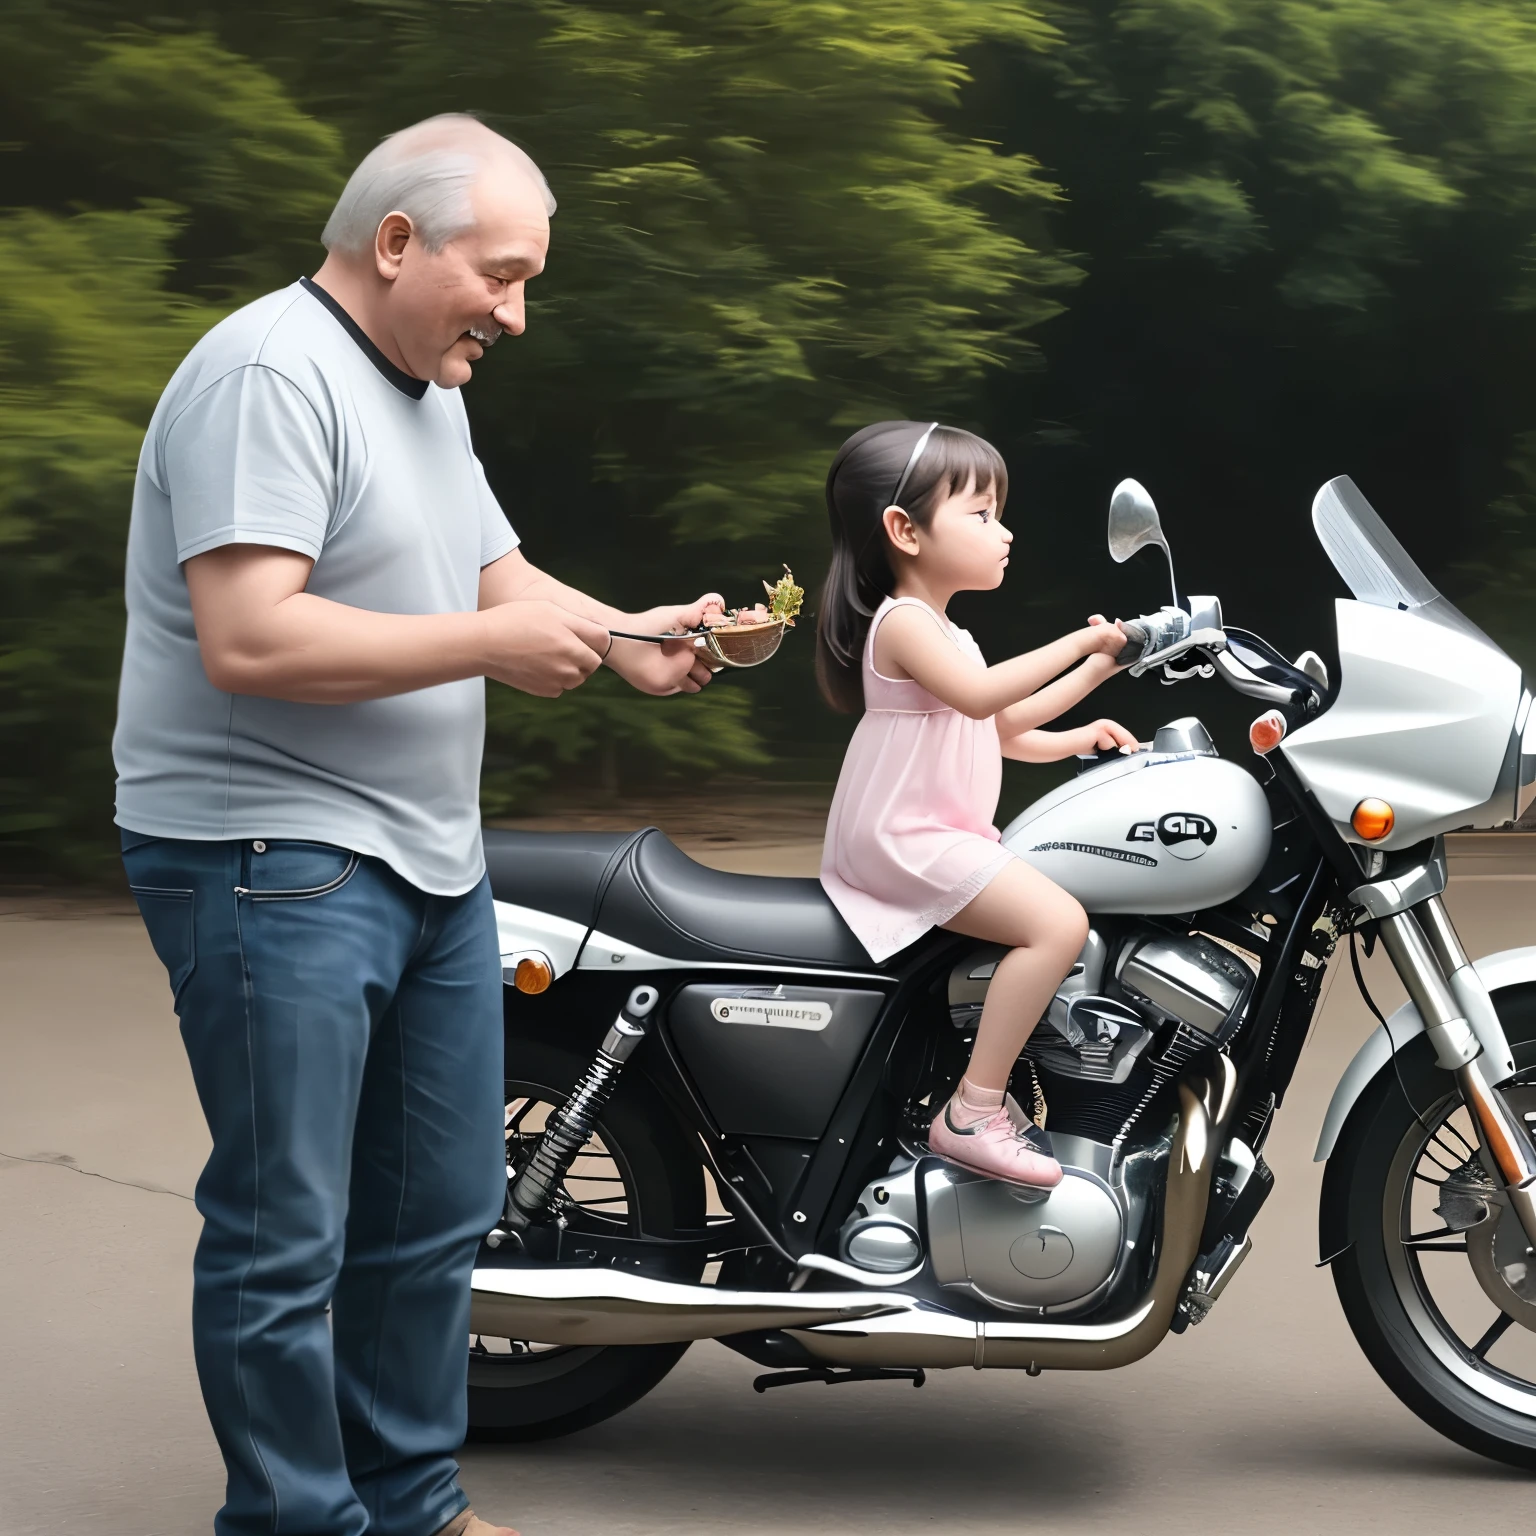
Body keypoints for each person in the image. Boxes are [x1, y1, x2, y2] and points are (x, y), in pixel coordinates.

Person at [113, 115, 722, 1536]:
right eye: (500, 277)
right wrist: (486, 648)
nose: (516, 313)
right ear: (397, 243)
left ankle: (410, 1502)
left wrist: (627, 631)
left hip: (422, 854)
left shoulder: (423, 387)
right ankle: (297, 1520)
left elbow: (494, 574)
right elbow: (252, 639)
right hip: (266, 854)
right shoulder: (270, 375)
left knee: (437, 1210)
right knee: (288, 1232)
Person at [816, 421, 1136, 1190]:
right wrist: (1074, 643)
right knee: (1058, 923)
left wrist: (1089, 697)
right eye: (982, 514)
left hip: (935, 831)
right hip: (904, 837)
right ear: (905, 530)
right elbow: (982, 695)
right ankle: (973, 1110)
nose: (1005, 531)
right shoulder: (903, 623)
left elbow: (999, 729)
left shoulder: (949, 630)